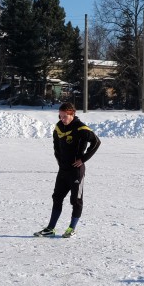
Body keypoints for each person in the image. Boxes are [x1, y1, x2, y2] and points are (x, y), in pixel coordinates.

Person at [34, 102, 100, 239]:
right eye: (60, 116)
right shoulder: (58, 128)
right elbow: (56, 146)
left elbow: (96, 142)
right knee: (57, 197)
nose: (62, 119)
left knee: (75, 200)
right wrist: (59, 161)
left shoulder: (81, 128)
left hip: (76, 171)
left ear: (72, 114)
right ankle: (50, 228)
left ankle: (71, 228)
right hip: (63, 170)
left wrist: (83, 159)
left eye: (65, 116)